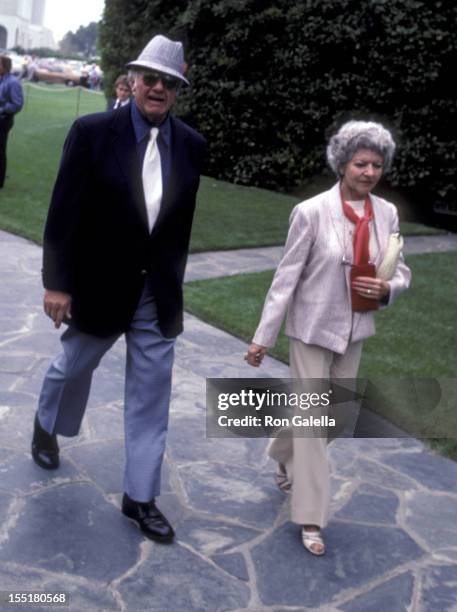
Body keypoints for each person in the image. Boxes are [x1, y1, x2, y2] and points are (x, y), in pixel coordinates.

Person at [31, 35, 206, 543]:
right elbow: (63, 210)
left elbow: (179, 228)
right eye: (149, 78)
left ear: (177, 88)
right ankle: (45, 425)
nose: (157, 88)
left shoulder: (192, 146)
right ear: (132, 81)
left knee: (152, 395)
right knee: (71, 367)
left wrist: (174, 285)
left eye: (168, 82)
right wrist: (57, 283)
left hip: (156, 295)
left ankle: (140, 497)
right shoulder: (91, 132)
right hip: (98, 285)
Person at [245, 121, 411, 555]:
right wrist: (264, 336)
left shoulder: (387, 213)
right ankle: (311, 518)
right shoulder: (311, 212)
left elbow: (400, 269)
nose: (369, 172)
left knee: (330, 419)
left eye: (376, 164)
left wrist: (388, 288)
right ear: (342, 163)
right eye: (361, 163)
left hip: (356, 330)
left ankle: (282, 452)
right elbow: (285, 279)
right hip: (312, 329)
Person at [0, 55, 24, 189]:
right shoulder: (2, 80)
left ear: (4, 66)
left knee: (0, 150)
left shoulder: (13, 82)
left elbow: (17, 104)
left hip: (4, 120)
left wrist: (2, 109)